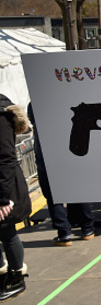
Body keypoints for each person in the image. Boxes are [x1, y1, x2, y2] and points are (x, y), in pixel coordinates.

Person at [28, 105, 96, 247]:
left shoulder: (34, 103)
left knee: (53, 197)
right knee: (77, 191)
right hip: (65, 150)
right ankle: (87, 229)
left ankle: (64, 233)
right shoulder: (60, 100)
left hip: (45, 154)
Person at [0, 95, 31, 301]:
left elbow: (6, 158)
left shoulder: (1, 116)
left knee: (7, 231)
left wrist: (3, 198)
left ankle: (17, 276)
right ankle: (3, 272)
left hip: (5, 186)